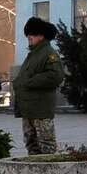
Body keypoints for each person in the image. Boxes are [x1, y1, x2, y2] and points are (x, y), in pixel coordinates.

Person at [13, 17, 65, 158]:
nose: (29, 37)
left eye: (33, 34)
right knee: (32, 145)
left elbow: (56, 76)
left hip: (41, 110)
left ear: (42, 36)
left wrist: (29, 82)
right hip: (29, 110)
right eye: (28, 34)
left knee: (46, 146)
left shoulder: (49, 53)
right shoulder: (34, 54)